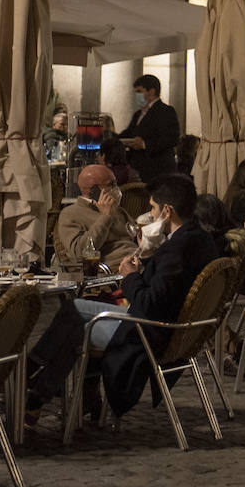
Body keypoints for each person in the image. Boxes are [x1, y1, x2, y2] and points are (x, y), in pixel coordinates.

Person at [94, 174, 219, 417]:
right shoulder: (200, 239)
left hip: (150, 332)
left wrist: (129, 275)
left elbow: (147, 304)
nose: (150, 215)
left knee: (74, 318)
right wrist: (150, 256)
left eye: (152, 208)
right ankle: (68, 397)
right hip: (183, 330)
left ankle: (38, 393)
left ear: (167, 211)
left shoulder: (177, 250)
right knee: (77, 314)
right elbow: (167, 286)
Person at [54, 165, 136, 270]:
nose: (116, 188)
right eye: (111, 184)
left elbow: (134, 235)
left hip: (137, 258)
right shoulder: (70, 214)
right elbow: (80, 253)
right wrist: (105, 217)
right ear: (94, 190)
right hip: (113, 268)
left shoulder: (116, 209)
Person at [118, 74, 180, 184]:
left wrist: (144, 144)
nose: (136, 95)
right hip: (139, 169)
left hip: (158, 169)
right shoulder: (138, 114)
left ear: (151, 91)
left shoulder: (165, 111)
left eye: (139, 91)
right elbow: (128, 133)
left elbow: (172, 138)